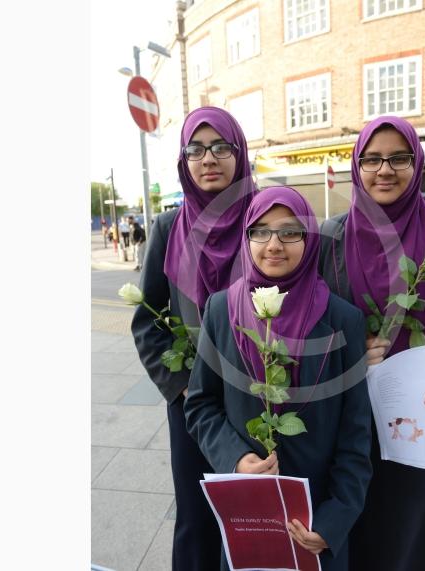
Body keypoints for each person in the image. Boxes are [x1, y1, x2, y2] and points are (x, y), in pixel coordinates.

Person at [184, 186, 373, 571]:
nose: (274, 244)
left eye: (290, 232)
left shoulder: (343, 320)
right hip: (248, 517)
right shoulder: (222, 310)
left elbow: (356, 434)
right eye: (260, 230)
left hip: (317, 520)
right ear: (246, 236)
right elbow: (201, 404)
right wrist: (234, 459)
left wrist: (334, 521)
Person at [318, 115, 425, 571]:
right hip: (352, 427)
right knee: (358, 536)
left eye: (399, 158)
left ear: (417, 163)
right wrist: (345, 352)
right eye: (372, 159)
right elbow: (305, 323)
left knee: (417, 543)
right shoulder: (330, 238)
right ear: (356, 166)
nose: (385, 170)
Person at [131, 106, 257, 571]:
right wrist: (185, 388)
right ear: (184, 160)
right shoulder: (167, 228)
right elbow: (147, 321)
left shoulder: (263, 219)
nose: (209, 158)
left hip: (260, 398)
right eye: (196, 149)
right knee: (197, 510)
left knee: (254, 511)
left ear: (239, 154)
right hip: (191, 404)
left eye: (221, 146)